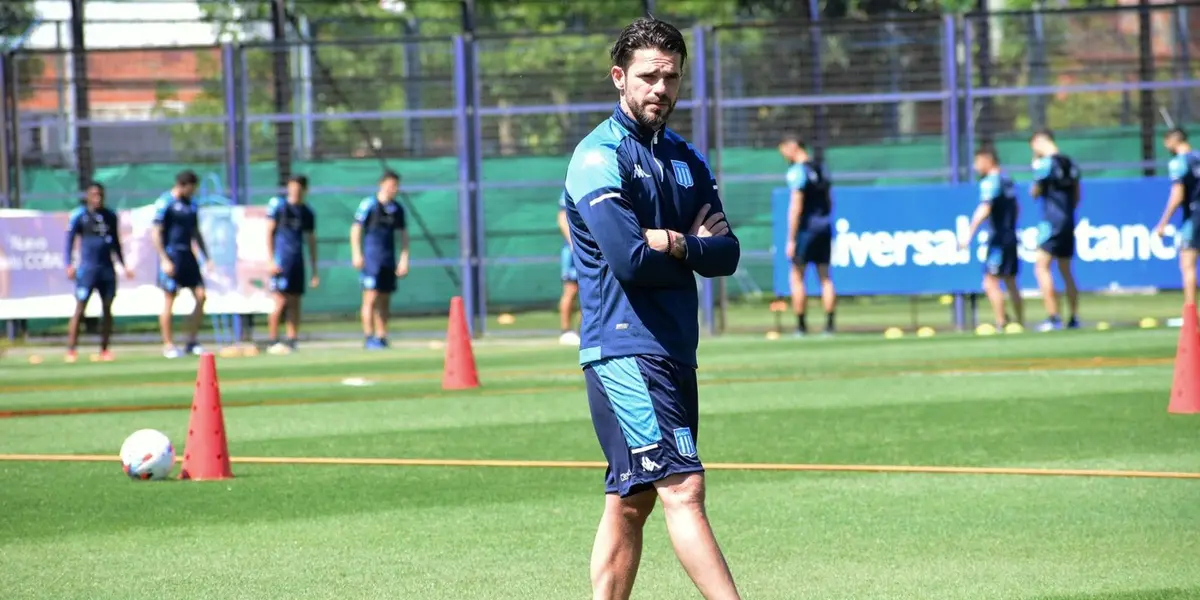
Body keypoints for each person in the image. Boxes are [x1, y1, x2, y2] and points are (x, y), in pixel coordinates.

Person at [562, 17, 743, 600]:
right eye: (647, 76)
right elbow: (629, 260)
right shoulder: (598, 156)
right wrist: (685, 246)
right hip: (625, 349)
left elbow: (728, 254)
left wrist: (674, 241)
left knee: (631, 499)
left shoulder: (687, 157)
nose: (660, 88)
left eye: (671, 77)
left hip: (673, 347)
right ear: (619, 78)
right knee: (684, 488)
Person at [64, 182, 134, 362]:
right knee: (80, 308)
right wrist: (69, 264)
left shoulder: (110, 216)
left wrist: (123, 264)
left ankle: (104, 349)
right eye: (94, 195)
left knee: (108, 308)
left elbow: (116, 242)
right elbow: (69, 241)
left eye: (100, 195)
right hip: (88, 269)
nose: (98, 198)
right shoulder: (80, 215)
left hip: (107, 269)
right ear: (88, 196)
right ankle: (71, 349)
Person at [960, 146, 1024, 331]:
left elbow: (985, 208)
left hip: (998, 240)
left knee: (990, 281)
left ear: (988, 160)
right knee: (1011, 281)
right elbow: (1017, 208)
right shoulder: (1007, 179)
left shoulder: (990, 181)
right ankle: (1019, 322)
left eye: (978, 161)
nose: (975, 166)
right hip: (1011, 236)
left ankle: (1001, 322)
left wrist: (969, 233)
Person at [778, 134, 836, 337]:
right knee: (825, 277)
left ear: (792, 147)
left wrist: (791, 239)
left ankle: (801, 326)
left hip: (806, 230)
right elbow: (830, 201)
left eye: (783, 151)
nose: (784, 155)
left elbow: (796, 207)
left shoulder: (797, 172)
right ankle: (829, 326)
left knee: (796, 276)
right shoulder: (821, 168)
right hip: (824, 226)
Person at [152, 170, 211, 359]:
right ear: (182, 186)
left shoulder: (192, 205)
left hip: (188, 256)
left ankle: (191, 341)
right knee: (170, 298)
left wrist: (206, 256)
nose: (193, 192)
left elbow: (195, 232)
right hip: (172, 255)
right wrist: (164, 259)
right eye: (192, 188)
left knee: (201, 296)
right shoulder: (165, 203)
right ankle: (169, 345)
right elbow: (156, 233)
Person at [1029, 129, 1082, 331]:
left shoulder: (1044, 164)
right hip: (1068, 219)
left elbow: (1035, 192)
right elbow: (1077, 194)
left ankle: (1053, 317)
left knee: (1041, 267)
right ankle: (1074, 317)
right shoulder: (1070, 162)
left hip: (1051, 221)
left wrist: (1034, 166)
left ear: (1039, 142)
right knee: (1066, 270)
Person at [351, 170, 409, 349]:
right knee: (370, 297)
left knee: (385, 298)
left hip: (388, 259)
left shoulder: (397, 209)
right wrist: (357, 253)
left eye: (396, 186)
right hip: (371, 259)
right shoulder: (369, 204)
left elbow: (403, 235)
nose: (394, 189)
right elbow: (356, 229)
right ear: (382, 184)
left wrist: (404, 258)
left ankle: (381, 336)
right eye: (391, 185)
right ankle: (369, 336)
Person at [266, 175, 319, 355]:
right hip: (282, 261)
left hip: (297, 261)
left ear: (305, 190)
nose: (295, 192)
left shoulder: (307, 212)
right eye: (292, 188)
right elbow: (269, 233)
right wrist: (271, 259)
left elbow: (311, 241)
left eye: (298, 189)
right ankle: (272, 340)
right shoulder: (280, 207)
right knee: (280, 301)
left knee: (295, 301)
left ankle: (292, 339)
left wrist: (314, 270)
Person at [1155, 127, 1200, 307]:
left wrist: (1163, 222)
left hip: (1193, 217)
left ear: (1173, 140)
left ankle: (1191, 314)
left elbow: (1177, 195)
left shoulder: (1179, 162)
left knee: (1188, 265)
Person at [557, 190, 581, 346]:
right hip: (573, 252)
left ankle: (583, 331)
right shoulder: (571, 188)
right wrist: (573, 243)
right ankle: (565, 331)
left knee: (592, 291)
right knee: (571, 290)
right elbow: (561, 217)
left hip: (593, 249)